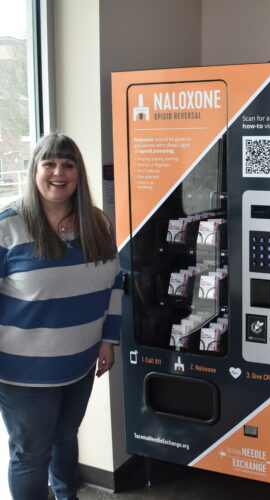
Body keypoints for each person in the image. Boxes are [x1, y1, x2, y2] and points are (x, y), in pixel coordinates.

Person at [0, 133, 122, 500]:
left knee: (66, 438)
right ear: (34, 170)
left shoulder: (97, 223)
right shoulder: (9, 226)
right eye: (49, 163)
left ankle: (67, 496)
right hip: (25, 374)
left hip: (80, 363)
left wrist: (107, 339)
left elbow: (114, 283)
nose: (59, 172)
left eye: (68, 164)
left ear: (78, 173)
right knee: (31, 454)